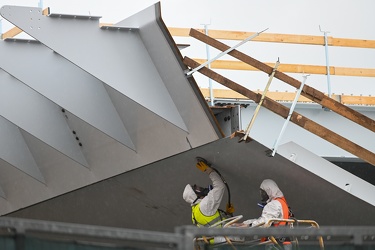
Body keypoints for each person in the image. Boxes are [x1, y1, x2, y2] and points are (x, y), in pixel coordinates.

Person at [235, 179, 293, 249]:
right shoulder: (281, 203)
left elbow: (264, 223)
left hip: (275, 244)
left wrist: (248, 225)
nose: (262, 195)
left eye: (263, 192)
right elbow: (266, 220)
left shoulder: (273, 205)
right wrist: (245, 223)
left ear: (269, 191)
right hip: (284, 243)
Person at [182, 159, 227, 244]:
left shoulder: (195, 211)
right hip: (224, 239)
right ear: (195, 196)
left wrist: (227, 213)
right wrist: (209, 171)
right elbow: (220, 186)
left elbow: (212, 223)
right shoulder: (204, 205)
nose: (201, 188)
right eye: (197, 189)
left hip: (218, 242)